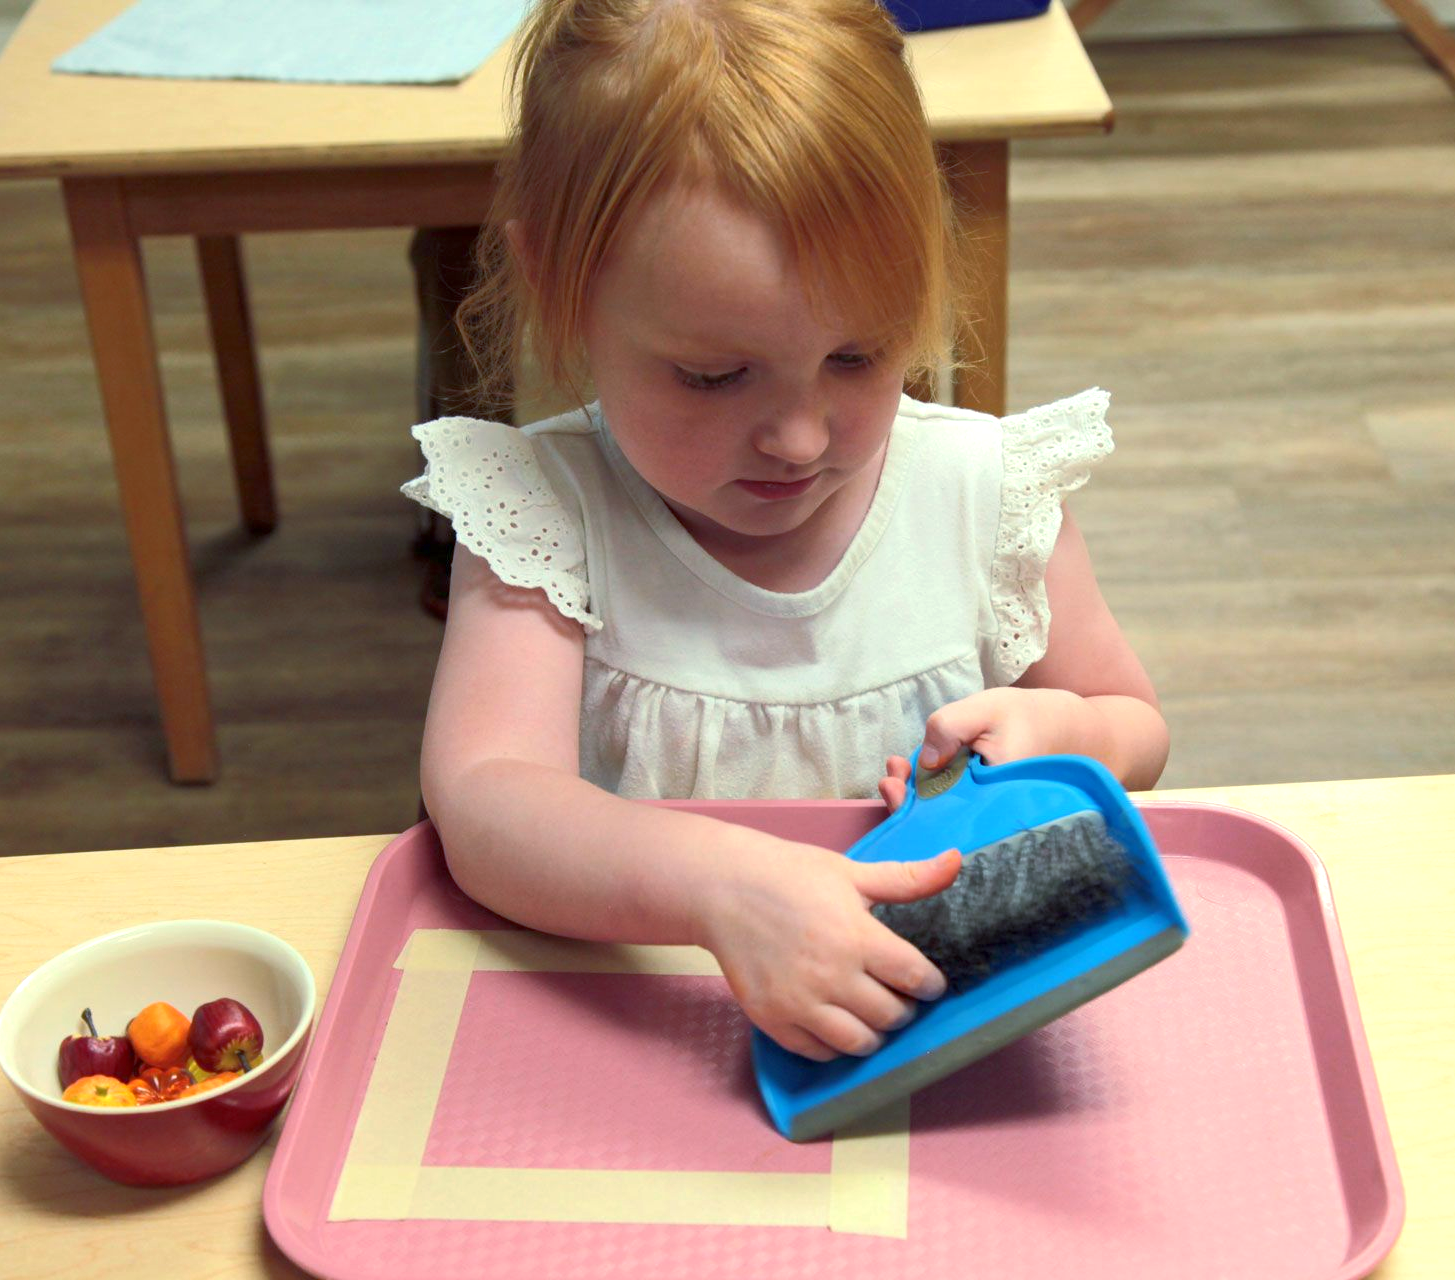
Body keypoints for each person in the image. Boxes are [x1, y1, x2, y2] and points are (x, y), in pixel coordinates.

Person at [406, 0, 1167, 1066]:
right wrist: (723, 885)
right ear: (560, 289)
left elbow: (1134, 720)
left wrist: (1069, 738)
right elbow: (486, 806)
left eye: (858, 358)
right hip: (653, 1050)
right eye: (715, 376)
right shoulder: (543, 511)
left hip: (945, 1039)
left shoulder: (988, 491)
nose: (801, 439)